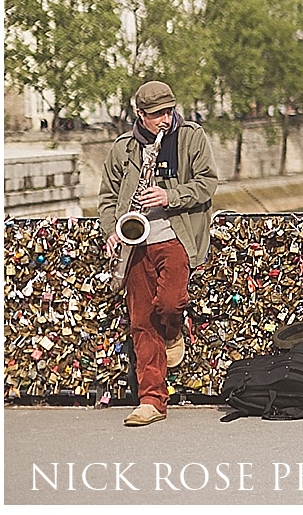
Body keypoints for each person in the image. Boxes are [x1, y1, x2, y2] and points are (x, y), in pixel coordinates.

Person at [99, 81, 220, 427]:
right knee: (140, 322)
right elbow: (107, 197)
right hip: (136, 243)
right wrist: (112, 229)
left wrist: (170, 196)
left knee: (169, 303)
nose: (165, 120)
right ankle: (152, 400)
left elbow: (208, 183)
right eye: (156, 115)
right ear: (140, 115)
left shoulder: (190, 137)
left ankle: (173, 328)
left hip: (176, 237)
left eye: (169, 112)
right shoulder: (123, 148)